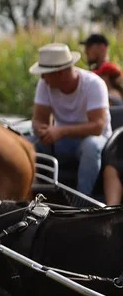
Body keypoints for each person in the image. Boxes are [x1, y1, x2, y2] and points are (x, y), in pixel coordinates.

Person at [27, 43, 111, 196]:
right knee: (28, 143)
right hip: (60, 140)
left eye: (45, 73)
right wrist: (40, 129)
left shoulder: (93, 84)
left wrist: (61, 131)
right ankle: (33, 193)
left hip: (94, 140)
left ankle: (82, 200)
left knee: (91, 147)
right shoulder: (44, 85)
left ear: (60, 73)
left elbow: (97, 127)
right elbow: (38, 119)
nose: (42, 78)